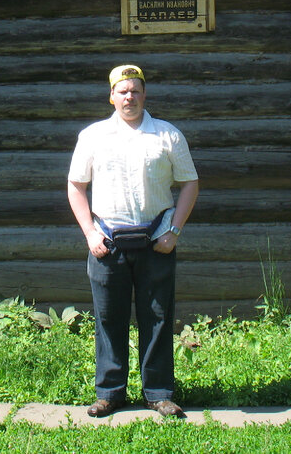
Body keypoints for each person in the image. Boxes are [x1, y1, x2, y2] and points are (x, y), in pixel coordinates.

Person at [66, 64, 199, 418]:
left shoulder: (167, 136)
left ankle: (158, 392)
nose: (129, 97)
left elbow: (190, 183)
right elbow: (76, 186)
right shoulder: (92, 137)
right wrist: (91, 233)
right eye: (123, 91)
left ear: (145, 95)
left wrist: (175, 231)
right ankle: (109, 392)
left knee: (157, 317)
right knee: (109, 318)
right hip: (107, 243)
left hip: (157, 241)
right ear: (111, 96)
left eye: (136, 91)